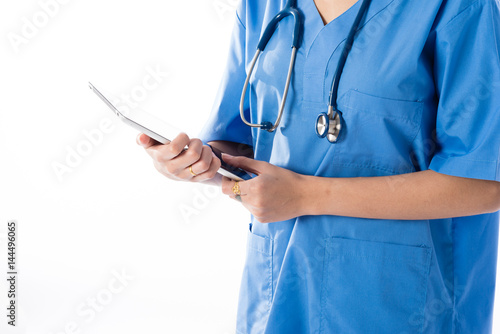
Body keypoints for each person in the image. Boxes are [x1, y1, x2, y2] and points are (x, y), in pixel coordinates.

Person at [137, 0, 500, 332]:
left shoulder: (458, 8)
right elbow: (236, 138)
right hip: (276, 291)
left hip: (399, 304)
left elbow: (484, 181)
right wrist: (196, 163)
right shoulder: (261, 6)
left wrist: (306, 196)